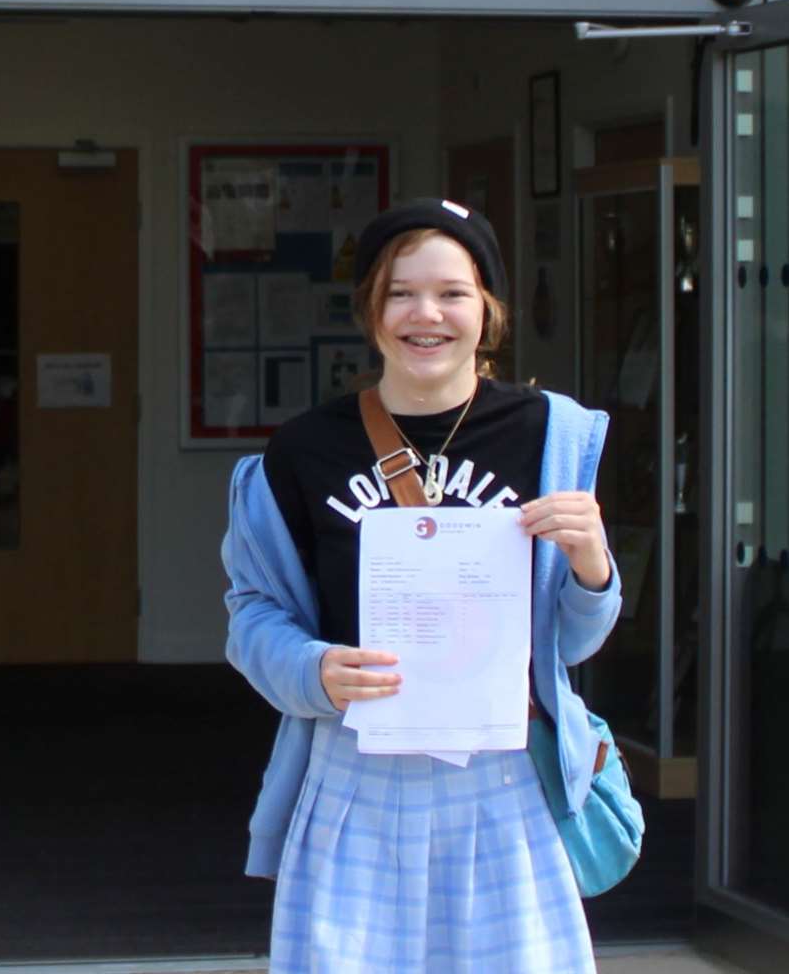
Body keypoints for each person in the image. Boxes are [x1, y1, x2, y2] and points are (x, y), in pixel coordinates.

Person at [222, 197, 621, 973]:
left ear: (488, 310)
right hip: (353, 774)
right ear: (370, 309)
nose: (425, 314)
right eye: (400, 292)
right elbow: (253, 612)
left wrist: (593, 567)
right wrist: (312, 671)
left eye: (452, 292)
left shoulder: (551, 435)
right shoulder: (302, 452)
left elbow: (568, 644)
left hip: (506, 780)